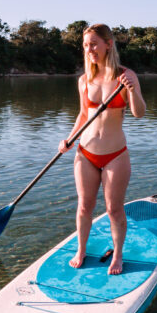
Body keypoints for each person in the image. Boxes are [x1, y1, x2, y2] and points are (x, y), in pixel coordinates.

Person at [58, 24, 146, 275]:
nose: (89, 49)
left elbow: (139, 113)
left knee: (114, 209)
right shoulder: (84, 80)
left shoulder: (125, 75)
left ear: (108, 44)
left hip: (115, 155)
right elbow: (83, 114)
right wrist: (69, 139)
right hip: (85, 153)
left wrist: (132, 89)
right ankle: (81, 250)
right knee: (84, 207)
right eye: (85, 45)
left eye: (94, 44)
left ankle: (118, 255)